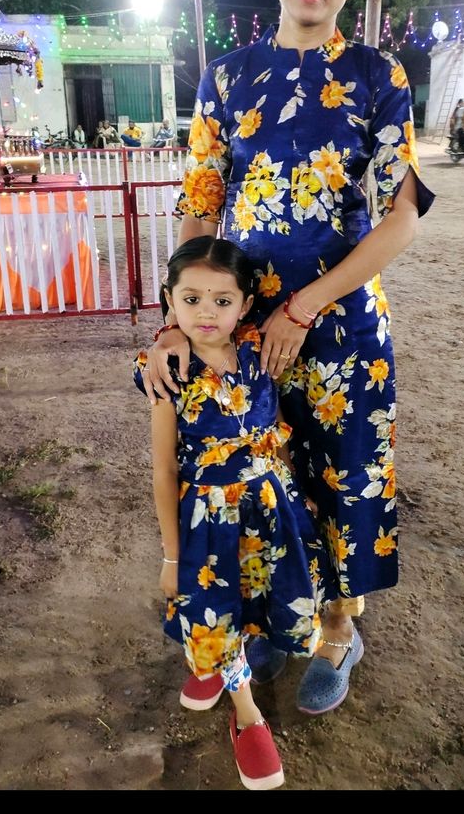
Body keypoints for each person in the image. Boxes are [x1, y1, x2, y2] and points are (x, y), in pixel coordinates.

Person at [141, 0, 435, 716]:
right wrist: (179, 314)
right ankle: (280, 621)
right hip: (235, 332)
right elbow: (201, 201)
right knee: (264, 475)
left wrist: (304, 307)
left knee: (343, 478)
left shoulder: (379, 77)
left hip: (336, 325)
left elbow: (401, 217)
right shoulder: (227, 79)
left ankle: (342, 628)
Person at [133, 236, 326, 791]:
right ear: (169, 301)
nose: (206, 313)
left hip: (269, 507)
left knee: (256, 603)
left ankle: (214, 665)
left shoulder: (260, 353)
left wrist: (293, 488)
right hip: (207, 522)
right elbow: (165, 472)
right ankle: (248, 715)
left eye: (222, 300)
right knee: (215, 609)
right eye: (190, 299)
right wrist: (172, 555)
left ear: (246, 305)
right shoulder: (168, 374)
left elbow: (274, 428)